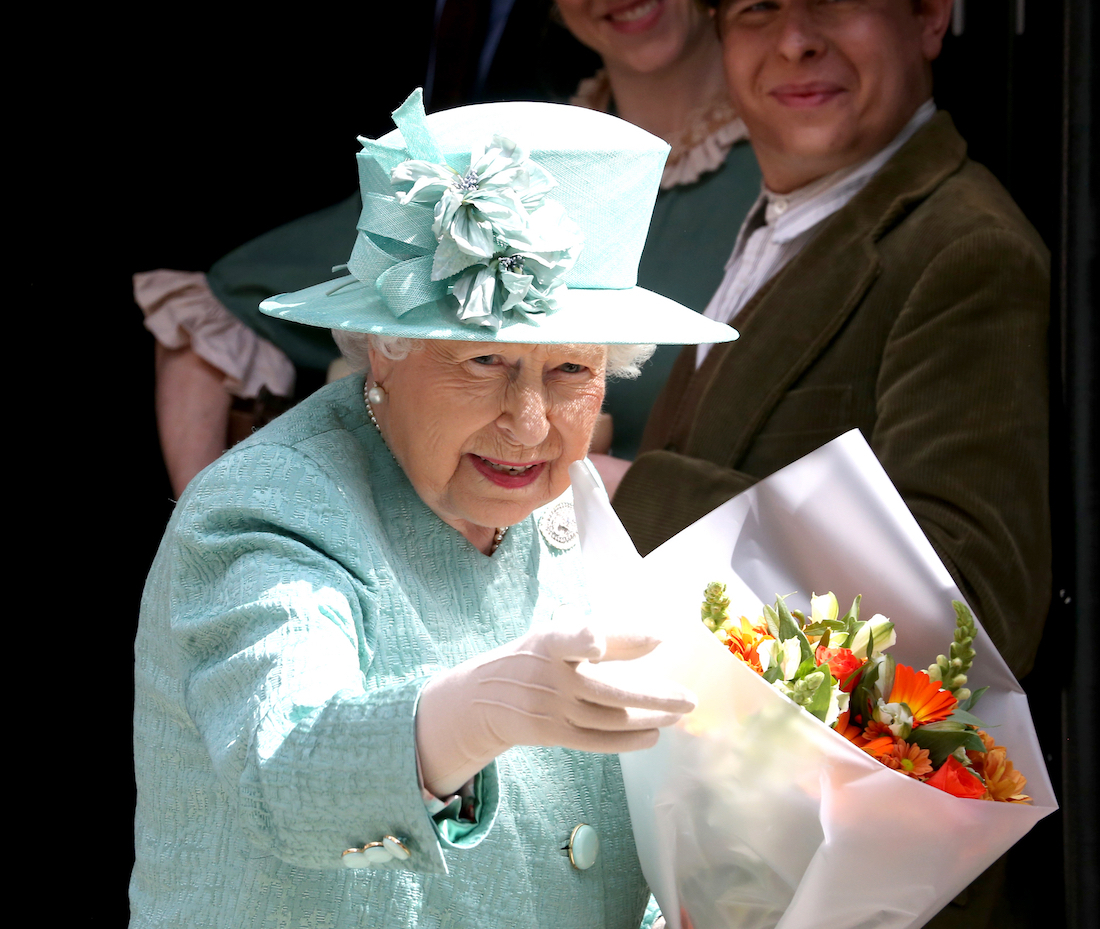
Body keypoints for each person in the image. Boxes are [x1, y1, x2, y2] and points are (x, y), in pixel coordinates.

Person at [130, 92, 739, 929]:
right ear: (384, 348)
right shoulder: (265, 509)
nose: (528, 424)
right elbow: (287, 767)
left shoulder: (570, 509)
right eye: (485, 360)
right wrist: (471, 712)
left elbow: (593, 832)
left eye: (568, 371)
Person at [608, 3, 1049, 921]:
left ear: (930, 18)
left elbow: (964, 625)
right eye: (757, 9)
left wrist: (629, 493)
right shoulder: (786, 216)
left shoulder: (966, 250)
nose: (795, 39)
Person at [138, 1, 760, 495]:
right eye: (485, 360)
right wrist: (210, 518)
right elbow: (217, 301)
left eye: (572, 366)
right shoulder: (498, 161)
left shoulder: (781, 185)